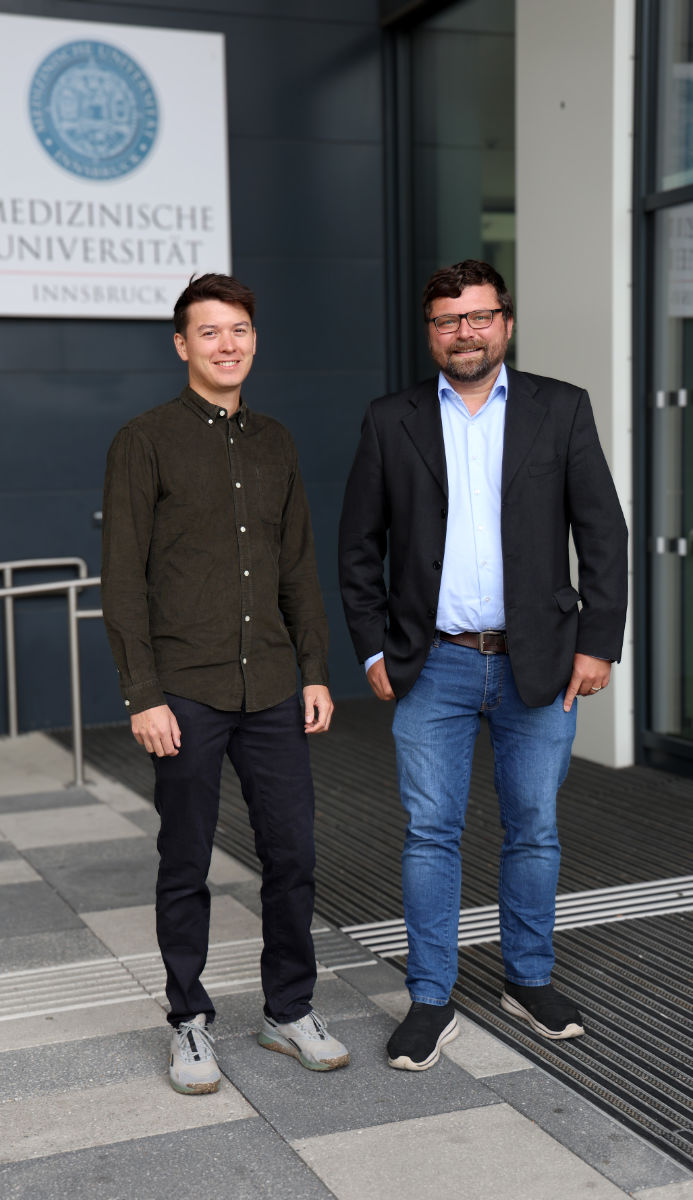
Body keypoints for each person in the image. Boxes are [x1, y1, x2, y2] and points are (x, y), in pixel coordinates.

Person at [339, 259, 627, 1071]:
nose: (463, 332)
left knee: (532, 830)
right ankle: (430, 998)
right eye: (446, 320)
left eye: (477, 317)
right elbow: (358, 545)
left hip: (539, 663)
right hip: (432, 664)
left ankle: (526, 979)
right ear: (428, 331)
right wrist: (370, 646)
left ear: (504, 321)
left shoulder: (559, 408)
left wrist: (597, 641)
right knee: (429, 833)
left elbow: (602, 533)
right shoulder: (388, 419)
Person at [101, 272, 349, 1095]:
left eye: (239, 328)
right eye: (209, 331)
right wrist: (142, 693)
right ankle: (188, 1022)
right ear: (182, 345)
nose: (227, 344)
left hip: (274, 684)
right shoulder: (144, 441)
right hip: (187, 691)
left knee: (293, 855)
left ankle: (288, 1009)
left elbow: (296, 567)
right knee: (186, 862)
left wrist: (315, 671)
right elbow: (123, 580)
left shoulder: (275, 442)